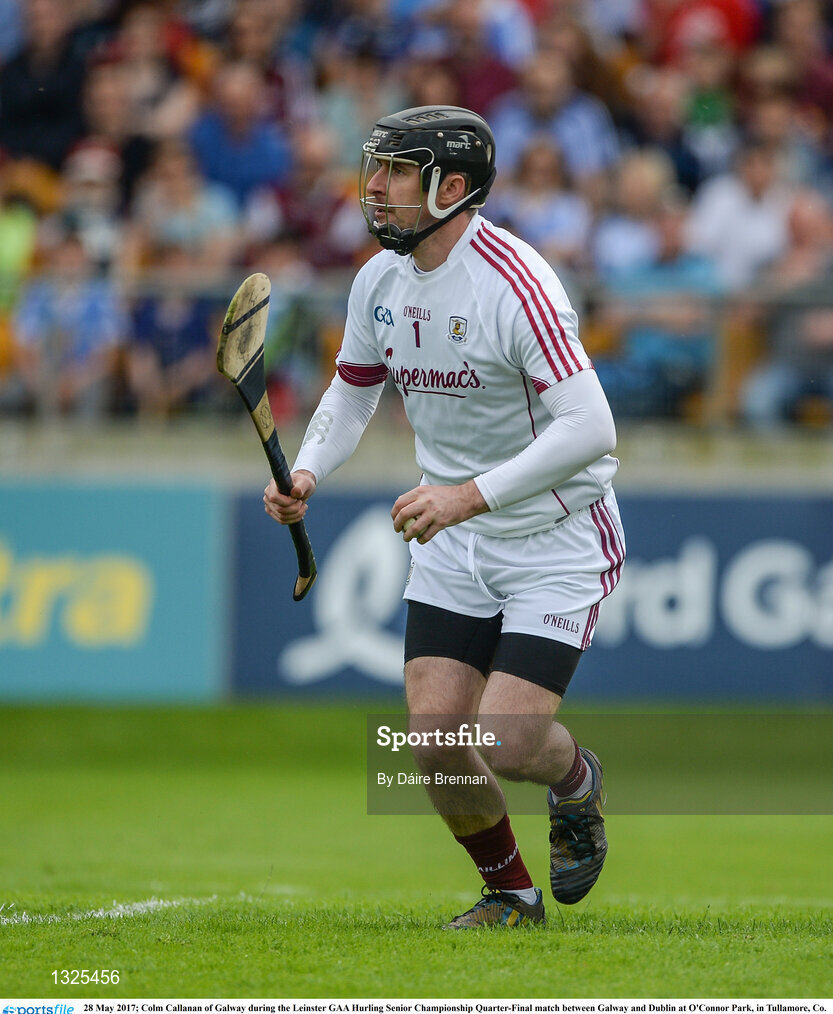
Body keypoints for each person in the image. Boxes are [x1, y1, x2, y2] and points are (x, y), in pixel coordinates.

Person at [263, 106, 625, 929]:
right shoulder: (377, 281)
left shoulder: (517, 283)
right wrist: (309, 470)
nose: (374, 187)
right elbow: (353, 389)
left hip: (553, 538)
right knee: (431, 746)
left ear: (450, 189)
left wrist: (465, 494)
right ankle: (511, 896)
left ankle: (576, 783)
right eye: (375, 167)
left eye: (395, 171)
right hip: (455, 543)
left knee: (503, 744)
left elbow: (591, 428)